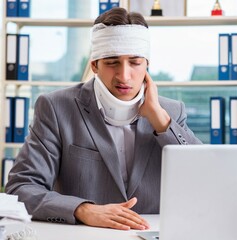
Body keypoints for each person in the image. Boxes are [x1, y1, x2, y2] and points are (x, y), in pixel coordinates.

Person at [5, 7, 202, 231]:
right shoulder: (56, 108)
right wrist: (82, 209)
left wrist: (161, 121)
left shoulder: (171, 112)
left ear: (147, 65)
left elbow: (204, 178)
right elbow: (21, 187)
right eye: (112, 62)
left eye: (135, 62)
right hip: (86, 235)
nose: (124, 75)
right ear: (94, 66)